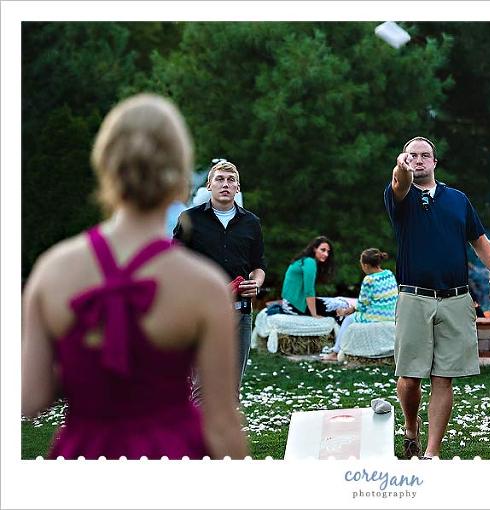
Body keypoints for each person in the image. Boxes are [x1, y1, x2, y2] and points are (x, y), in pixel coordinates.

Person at [21, 93, 249, 459]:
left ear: (106, 168)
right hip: (172, 453)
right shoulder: (202, 285)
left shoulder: (52, 271)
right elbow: (221, 423)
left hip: (83, 456)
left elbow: (30, 398)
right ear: (180, 179)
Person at [385, 136, 490, 459]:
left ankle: (431, 453)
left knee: (444, 378)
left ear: (435, 162)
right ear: (405, 160)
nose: (419, 160)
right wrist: (401, 167)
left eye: (426, 155)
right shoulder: (401, 196)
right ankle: (411, 428)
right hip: (414, 297)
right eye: (413, 155)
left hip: (456, 298)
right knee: (409, 378)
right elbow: (400, 181)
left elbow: (479, 239)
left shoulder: (458, 200)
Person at [173, 159, 266, 404]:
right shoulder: (189, 219)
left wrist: (255, 283)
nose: (225, 184)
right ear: (209, 186)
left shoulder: (251, 223)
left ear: (237, 188)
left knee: (231, 390)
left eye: (231, 180)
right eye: (220, 179)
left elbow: (258, 266)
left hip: (240, 314)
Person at [321, 248, 398, 362]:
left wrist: (346, 311)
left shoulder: (369, 280)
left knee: (348, 320)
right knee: (351, 316)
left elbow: (362, 305)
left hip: (377, 317)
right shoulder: (389, 274)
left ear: (366, 265)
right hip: (391, 315)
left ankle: (336, 352)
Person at [280, 236, 350, 318]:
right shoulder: (310, 262)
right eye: (323, 250)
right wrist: (314, 314)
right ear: (314, 249)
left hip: (288, 303)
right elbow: (309, 290)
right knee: (342, 304)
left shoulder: (303, 260)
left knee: (334, 303)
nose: (326, 254)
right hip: (295, 306)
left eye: (328, 251)